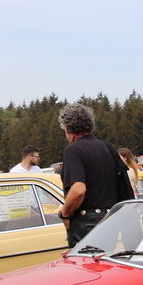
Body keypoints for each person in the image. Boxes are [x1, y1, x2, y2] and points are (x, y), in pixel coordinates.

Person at [56, 103, 132, 247]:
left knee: (86, 268)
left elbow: (78, 190)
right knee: (103, 267)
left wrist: (65, 213)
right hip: (111, 222)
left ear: (67, 128)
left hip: (86, 226)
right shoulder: (107, 147)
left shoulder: (73, 150)